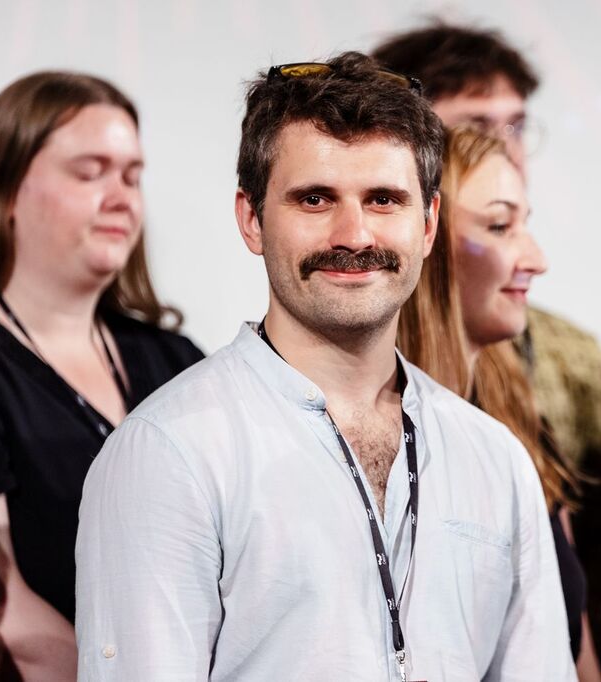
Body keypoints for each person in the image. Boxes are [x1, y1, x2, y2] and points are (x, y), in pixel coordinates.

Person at [74, 53, 575, 681]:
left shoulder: (495, 458)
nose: (354, 234)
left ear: (428, 224)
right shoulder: (168, 453)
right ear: (252, 220)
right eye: (315, 199)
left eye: (384, 199)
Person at [373, 24, 601, 679]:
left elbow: (582, 616)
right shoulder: (354, 412)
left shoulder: (532, 385)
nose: (504, 147)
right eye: (475, 125)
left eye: (515, 125)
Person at [0, 71, 203, 681]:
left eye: (132, 176)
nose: (122, 198)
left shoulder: (176, 360)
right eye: (89, 172)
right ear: (5, 190)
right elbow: (2, 619)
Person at [398, 127, 601, 680]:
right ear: (426, 237)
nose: (536, 259)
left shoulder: (521, 421)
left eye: (524, 225)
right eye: (499, 226)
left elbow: (573, 645)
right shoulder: (377, 440)